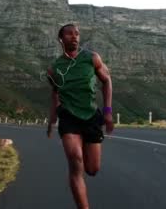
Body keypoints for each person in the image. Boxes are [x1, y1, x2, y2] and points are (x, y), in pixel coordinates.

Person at [46, 23, 113, 209]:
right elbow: (55, 94)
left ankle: (82, 144)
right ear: (61, 39)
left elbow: (107, 81)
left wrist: (107, 112)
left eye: (77, 34)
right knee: (76, 160)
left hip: (91, 117)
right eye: (69, 34)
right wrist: (52, 119)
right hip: (68, 118)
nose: (74, 36)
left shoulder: (91, 58)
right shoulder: (54, 69)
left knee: (92, 169)